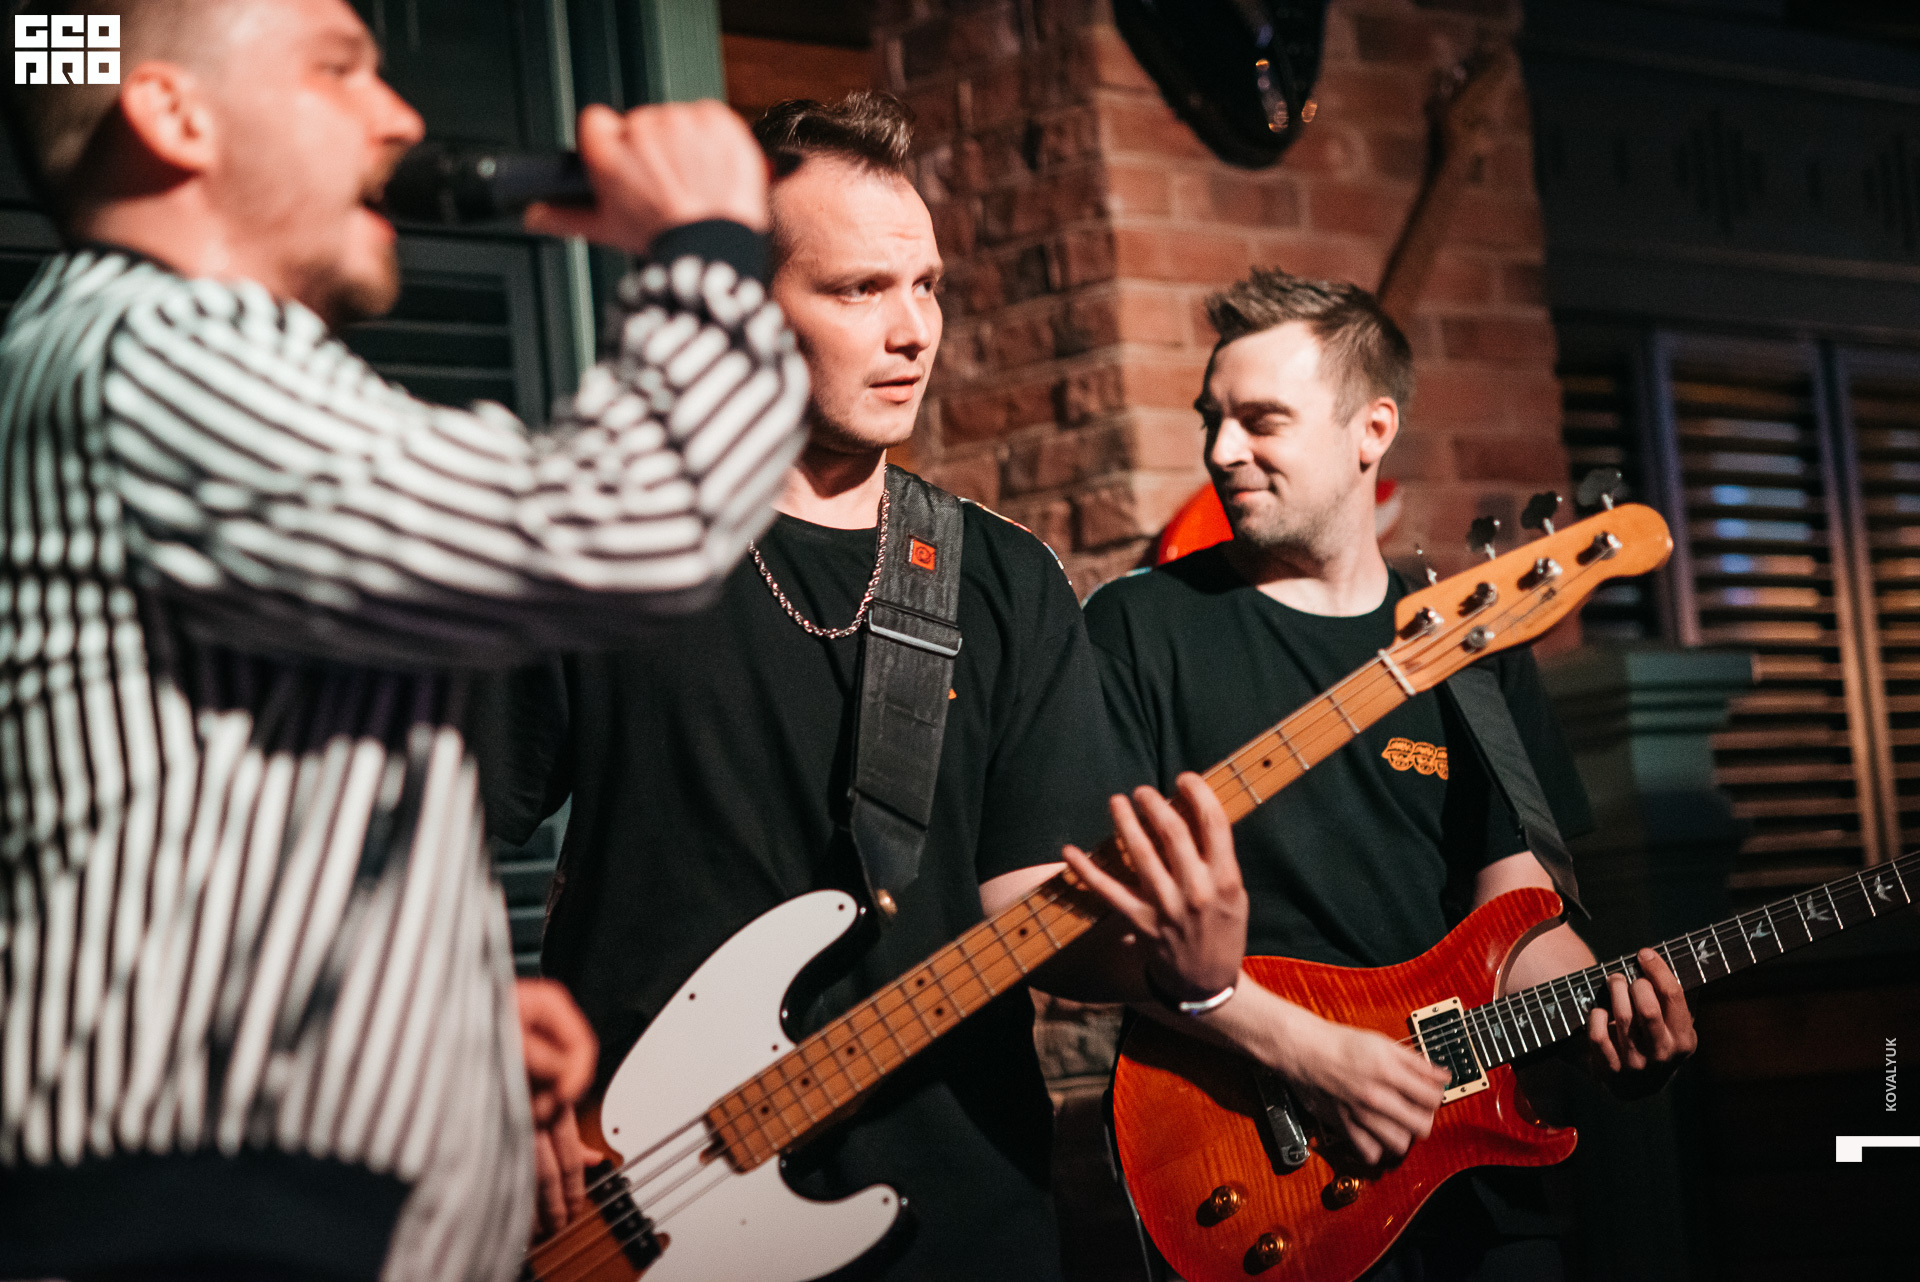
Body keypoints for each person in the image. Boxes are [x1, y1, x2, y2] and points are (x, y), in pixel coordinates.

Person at [0, 1, 810, 1279]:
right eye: (338, 68)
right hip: (225, 1220)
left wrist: (431, 1006)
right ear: (172, 113)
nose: (401, 116)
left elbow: (210, 786)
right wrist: (706, 247)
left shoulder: (134, 357)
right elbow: (624, 526)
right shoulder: (159, 352)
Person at [481, 91, 1248, 1281]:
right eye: (858, 290)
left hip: (963, 1226)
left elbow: (1030, 903)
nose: (914, 331)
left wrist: (1180, 970)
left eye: (926, 285)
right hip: (649, 1220)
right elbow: (418, 848)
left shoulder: (1002, 577)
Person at [1079, 268, 1697, 1280]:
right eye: (1211, 420)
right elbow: (1089, 922)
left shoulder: (1472, 643)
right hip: (1256, 1163)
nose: (1221, 451)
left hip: (1472, 1183)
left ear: (1371, 431)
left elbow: (1519, 919)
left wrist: (1610, 1020)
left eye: (1260, 421)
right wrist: (1308, 1053)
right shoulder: (1140, 627)